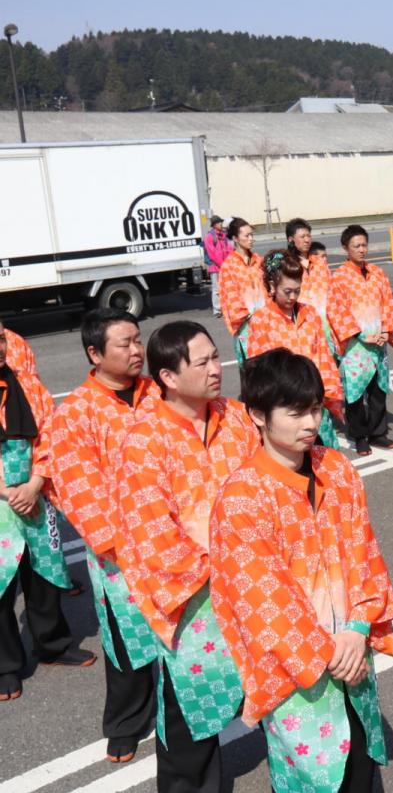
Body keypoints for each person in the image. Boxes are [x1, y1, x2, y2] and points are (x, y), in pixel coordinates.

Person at [209, 349, 393, 792]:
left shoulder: (336, 468)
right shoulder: (241, 497)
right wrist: (330, 651)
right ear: (257, 415)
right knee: (310, 776)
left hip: (351, 650)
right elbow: (261, 602)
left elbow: (364, 552)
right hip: (297, 672)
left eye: (314, 409)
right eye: (295, 413)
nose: (311, 423)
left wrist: (356, 628)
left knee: (360, 768)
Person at [115, 321, 261, 791]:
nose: (217, 369)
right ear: (169, 377)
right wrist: (218, 567)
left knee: (273, 688)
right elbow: (151, 530)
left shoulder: (236, 417)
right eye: (202, 363)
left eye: (216, 357)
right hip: (192, 597)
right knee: (189, 711)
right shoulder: (144, 438)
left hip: (254, 584)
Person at [48, 309, 158, 759]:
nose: (137, 351)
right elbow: (75, 488)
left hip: (179, 540)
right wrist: (117, 542)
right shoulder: (76, 411)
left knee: (189, 633)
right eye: (125, 344)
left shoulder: (160, 391)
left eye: (138, 340)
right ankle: (126, 721)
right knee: (126, 637)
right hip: (121, 550)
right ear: (95, 353)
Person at [0, 323, 95, 702]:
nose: (2, 347)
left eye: (1, 340)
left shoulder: (29, 388)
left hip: (34, 493)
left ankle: (53, 644)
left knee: (43, 573)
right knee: (2, 588)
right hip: (2, 498)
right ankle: (6, 664)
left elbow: (52, 438)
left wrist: (35, 483)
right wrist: (7, 491)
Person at [245, 251, 343, 447]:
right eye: (287, 291)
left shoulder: (310, 313)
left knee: (322, 454)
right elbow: (260, 369)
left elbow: (324, 355)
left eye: (297, 291)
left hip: (315, 396)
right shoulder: (262, 319)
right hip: (285, 402)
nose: (292, 296)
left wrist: (330, 391)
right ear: (272, 286)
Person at [328, 225, 393, 456]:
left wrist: (386, 331)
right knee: (356, 393)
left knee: (378, 389)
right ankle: (359, 435)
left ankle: (378, 432)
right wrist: (360, 334)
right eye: (356, 246)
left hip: (377, 340)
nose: (362, 250)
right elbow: (336, 310)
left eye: (364, 245)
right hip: (356, 344)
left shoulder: (377, 273)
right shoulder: (339, 277)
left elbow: (388, 302)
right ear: (345, 249)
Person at [218, 217, 265, 363]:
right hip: (246, 326)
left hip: (266, 321)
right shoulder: (229, 266)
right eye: (247, 236)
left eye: (252, 235)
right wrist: (248, 316)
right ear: (235, 238)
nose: (251, 239)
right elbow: (230, 298)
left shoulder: (259, 261)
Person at [203, 215, 231, 317]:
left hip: (224, 266)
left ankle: (225, 308)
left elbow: (228, 249)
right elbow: (212, 254)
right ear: (214, 225)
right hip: (215, 267)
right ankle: (217, 310)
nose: (221, 224)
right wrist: (222, 264)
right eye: (219, 223)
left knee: (226, 288)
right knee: (216, 289)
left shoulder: (223, 235)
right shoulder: (210, 237)